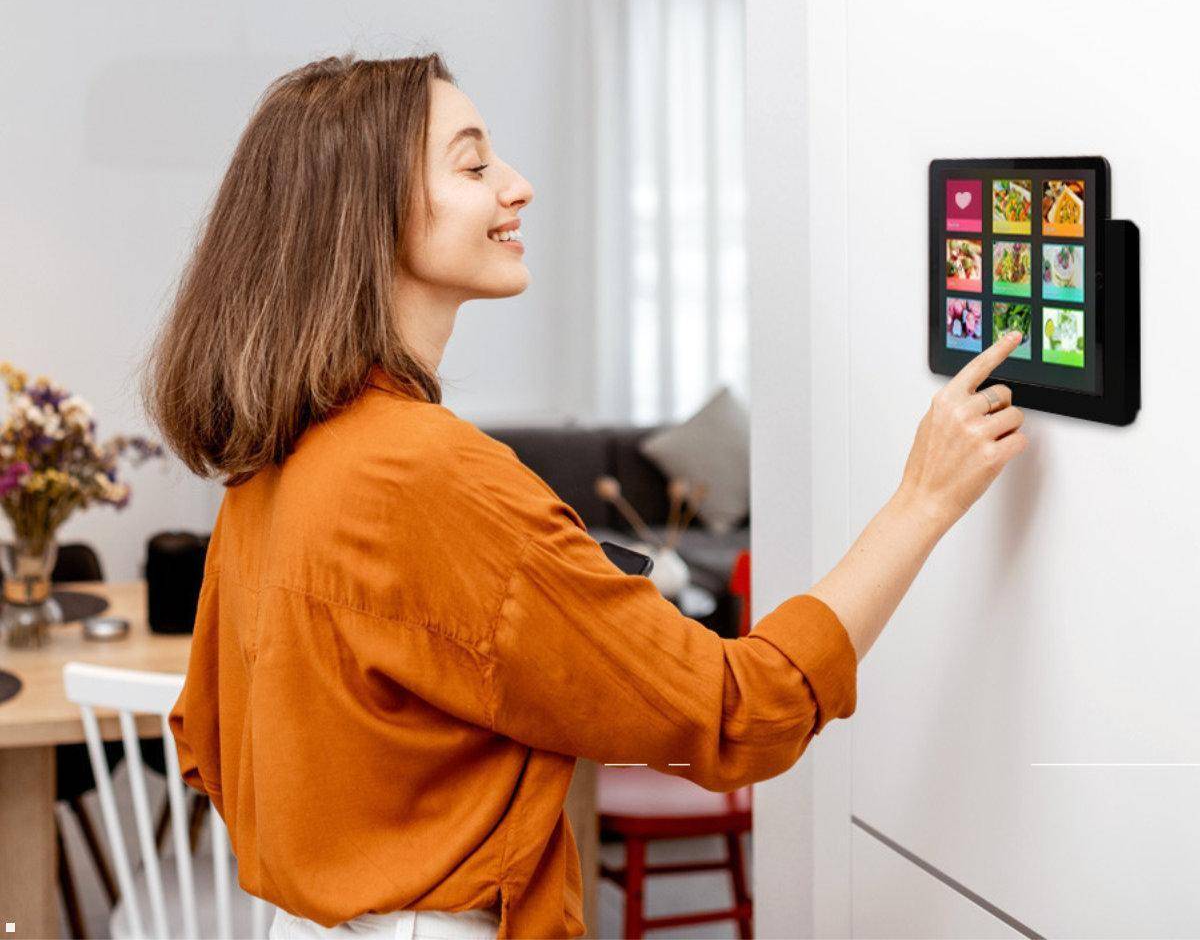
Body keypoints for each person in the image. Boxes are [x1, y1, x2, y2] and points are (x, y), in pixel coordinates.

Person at [144, 53, 1028, 940]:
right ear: (365, 215)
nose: (517, 187)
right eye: (474, 163)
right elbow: (739, 708)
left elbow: (208, 741)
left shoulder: (276, 458)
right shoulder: (425, 473)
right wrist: (923, 499)